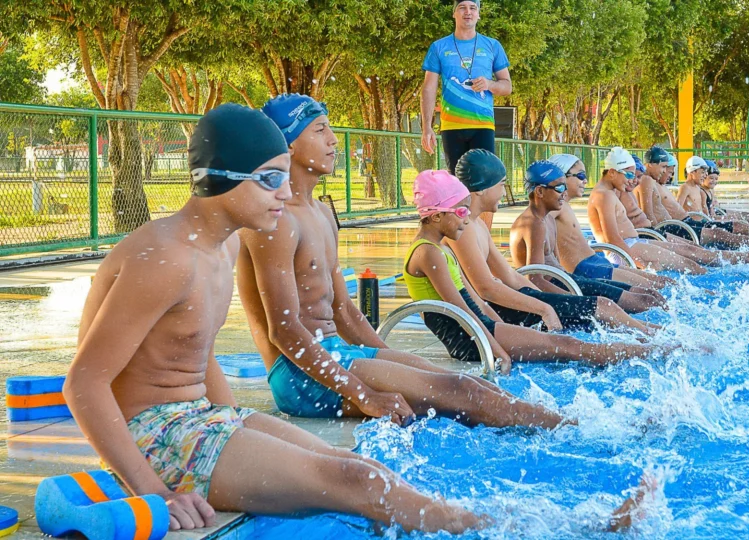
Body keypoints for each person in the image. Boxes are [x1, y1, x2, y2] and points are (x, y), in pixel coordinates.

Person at [64, 104, 484, 534]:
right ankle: (487, 529)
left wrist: (231, 424)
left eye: (283, 176)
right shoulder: (166, 259)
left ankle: (478, 524)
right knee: (357, 483)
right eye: (269, 179)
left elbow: (195, 355)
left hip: (198, 417)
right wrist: (153, 492)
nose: (284, 193)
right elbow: (83, 383)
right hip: (151, 436)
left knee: (357, 465)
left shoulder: (220, 248)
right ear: (219, 177)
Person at [237, 94, 563, 430]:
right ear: (287, 144)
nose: (334, 140)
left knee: (472, 384)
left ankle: (565, 427)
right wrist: (364, 394)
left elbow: (345, 311)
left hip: (338, 355)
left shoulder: (320, 213)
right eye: (320, 130)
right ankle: (569, 432)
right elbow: (284, 330)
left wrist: (390, 361)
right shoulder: (273, 220)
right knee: (463, 392)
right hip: (299, 374)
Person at [405, 169, 667, 369]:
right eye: (461, 211)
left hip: (480, 329)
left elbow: (474, 302)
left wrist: (503, 329)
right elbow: (460, 309)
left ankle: (653, 348)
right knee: (569, 347)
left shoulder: (440, 249)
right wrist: (495, 349)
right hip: (466, 338)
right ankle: (657, 352)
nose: (466, 216)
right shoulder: (428, 253)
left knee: (570, 344)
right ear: (437, 215)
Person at [446, 149, 656, 336]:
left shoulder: (479, 226)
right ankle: (654, 337)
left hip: (539, 290)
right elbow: (491, 288)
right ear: (482, 188)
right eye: (502, 185)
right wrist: (545, 306)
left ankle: (652, 334)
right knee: (606, 310)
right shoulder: (467, 230)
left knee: (613, 310)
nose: (504, 192)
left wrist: (547, 300)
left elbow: (509, 276)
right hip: (508, 308)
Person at [509, 160, 668, 314]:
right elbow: (535, 279)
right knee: (620, 304)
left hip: (568, 279)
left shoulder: (547, 219)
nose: (564, 192)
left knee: (650, 296)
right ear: (540, 191)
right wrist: (577, 298)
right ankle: (654, 336)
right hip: (562, 284)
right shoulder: (534, 224)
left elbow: (557, 266)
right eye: (560, 187)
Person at [546, 154, 677, 290]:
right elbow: (540, 223)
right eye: (580, 176)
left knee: (661, 282)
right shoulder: (555, 209)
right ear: (561, 178)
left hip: (596, 262)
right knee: (652, 289)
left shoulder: (564, 206)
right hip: (586, 269)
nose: (585, 180)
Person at [420, 0, 511, 175]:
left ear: (478, 14)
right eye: (462, 8)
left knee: (484, 182)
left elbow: (507, 86)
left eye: (472, 8)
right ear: (454, 13)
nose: (467, 12)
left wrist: (489, 84)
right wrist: (426, 127)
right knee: (457, 184)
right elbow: (428, 89)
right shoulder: (439, 47)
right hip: (451, 126)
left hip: (482, 126)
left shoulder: (492, 46)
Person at [587, 147, 709, 275]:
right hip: (625, 249)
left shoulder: (609, 192)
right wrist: (635, 264)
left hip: (633, 244)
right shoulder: (603, 196)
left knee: (686, 260)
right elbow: (612, 239)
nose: (631, 180)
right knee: (686, 265)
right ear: (612, 172)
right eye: (629, 175)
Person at [637, 148, 749, 250]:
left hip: (681, 224)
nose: (667, 173)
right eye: (665, 168)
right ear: (651, 165)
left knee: (725, 231)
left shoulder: (655, 183)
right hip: (673, 227)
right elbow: (648, 214)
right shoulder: (647, 181)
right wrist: (659, 237)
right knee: (719, 234)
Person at [673, 157, 749, 248]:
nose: (705, 176)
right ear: (692, 172)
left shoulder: (697, 188)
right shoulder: (685, 188)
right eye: (702, 172)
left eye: (706, 173)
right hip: (696, 225)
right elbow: (677, 209)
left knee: (738, 223)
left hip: (704, 221)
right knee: (730, 228)